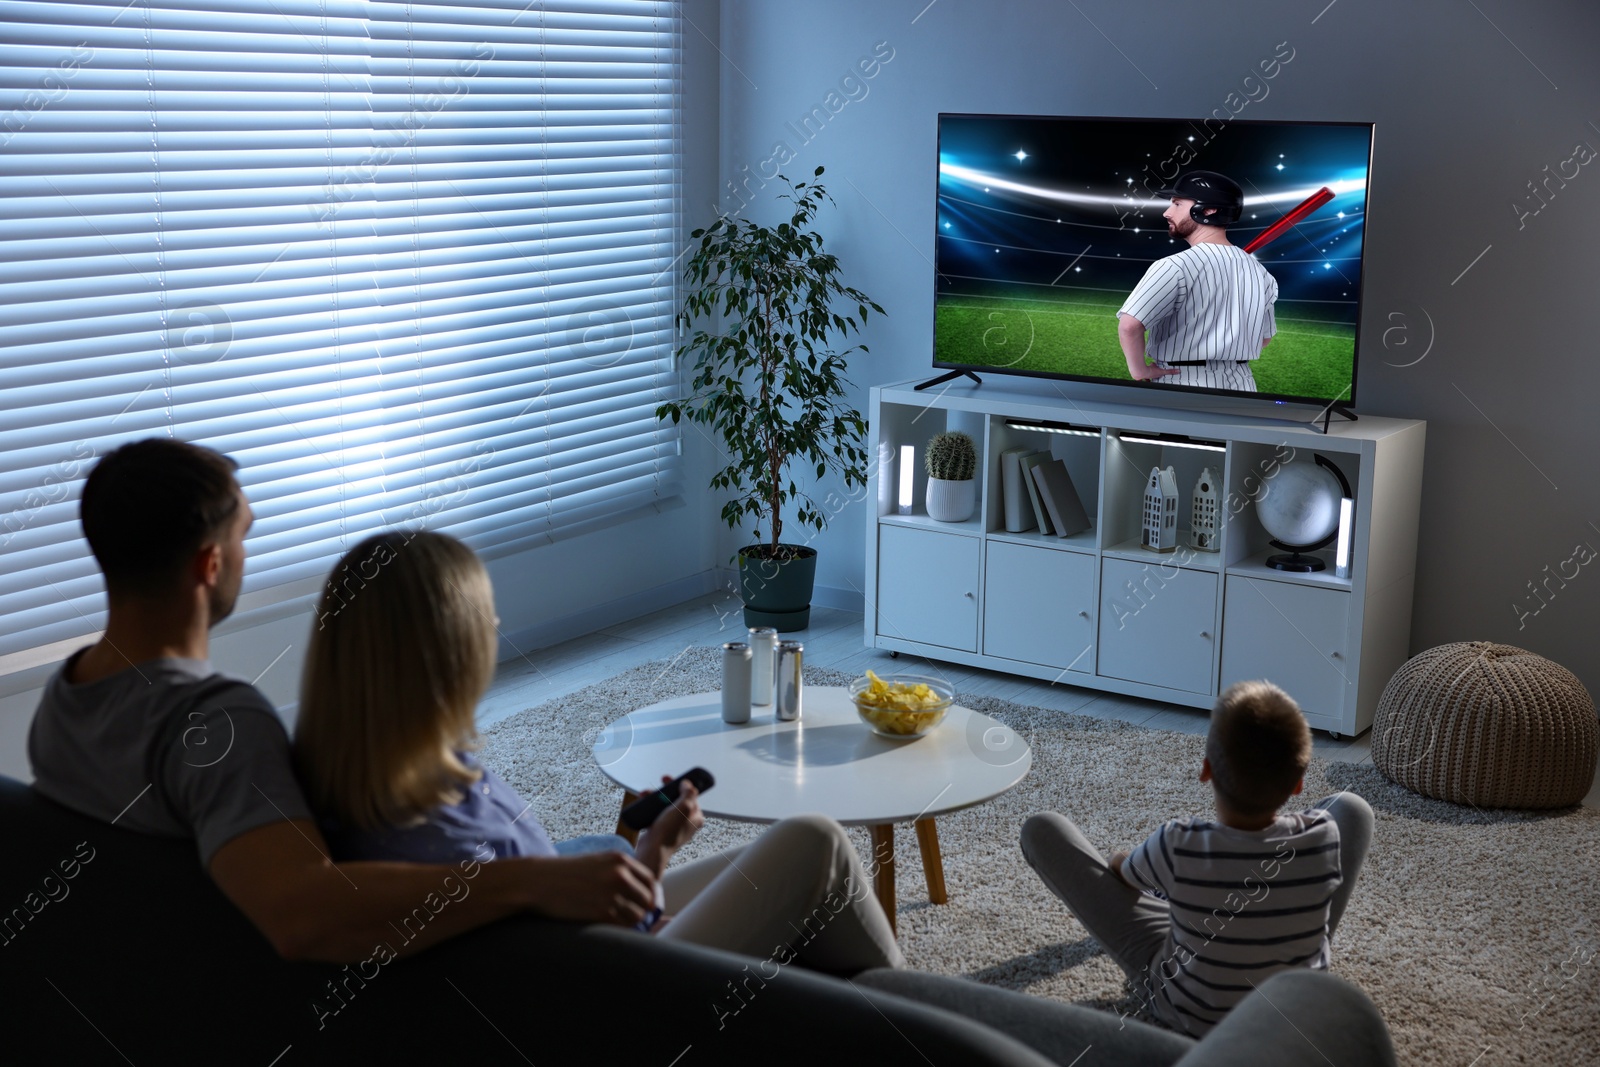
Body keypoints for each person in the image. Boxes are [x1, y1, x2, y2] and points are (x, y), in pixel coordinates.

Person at [25, 438, 896, 973]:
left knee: (799, 875)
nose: (250, 555)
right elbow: (304, 912)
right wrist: (543, 876)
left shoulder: (67, 705)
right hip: (595, 992)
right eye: (245, 536)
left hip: (565, 940)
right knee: (816, 849)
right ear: (209, 566)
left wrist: (625, 853)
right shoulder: (220, 730)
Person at [293, 528, 904, 975]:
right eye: (484, 617)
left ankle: (877, 1012)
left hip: (610, 944)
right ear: (445, 656)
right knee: (815, 844)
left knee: (796, 863)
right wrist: (644, 885)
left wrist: (653, 851)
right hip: (614, 988)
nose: (498, 622)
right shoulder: (433, 827)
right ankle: (917, 1026)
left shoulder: (372, 783)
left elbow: (559, 910)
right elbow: (551, 952)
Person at [1018, 680, 1372, 1038]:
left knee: (1042, 828)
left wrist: (1122, 858)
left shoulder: (1179, 842)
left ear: (1206, 770)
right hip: (1293, 1010)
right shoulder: (1322, 834)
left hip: (1190, 1012)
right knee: (1353, 808)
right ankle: (1285, 941)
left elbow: (1123, 874)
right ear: (1298, 784)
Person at [1117, 170, 1278, 392]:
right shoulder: (1261, 273)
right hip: (1243, 384)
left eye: (1177, 203)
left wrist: (1140, 371)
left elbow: (1129, 326)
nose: (1166, 212)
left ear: (1209, 209)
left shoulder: (1174, 266)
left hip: (1182, 382)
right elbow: (1264, 339)